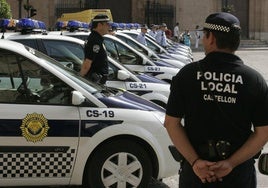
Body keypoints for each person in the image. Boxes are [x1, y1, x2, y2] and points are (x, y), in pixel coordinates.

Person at [164, 12, 268, 188]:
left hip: (197, 174)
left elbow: (171, 123)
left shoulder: (187, 75)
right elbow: (263, 133)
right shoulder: (254, 80)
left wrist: (195, 162)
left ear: (210, 38)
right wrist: (231, 163)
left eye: (204, 35)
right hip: (238, 176)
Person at [80, 14, 111, 85]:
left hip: (99, 81)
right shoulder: (94, 40)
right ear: (99, 25)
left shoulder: (98, 38)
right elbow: (87, 63)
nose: (109, 26)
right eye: (107, 24)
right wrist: (80, 80)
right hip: (95, 82)